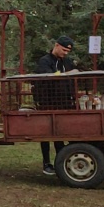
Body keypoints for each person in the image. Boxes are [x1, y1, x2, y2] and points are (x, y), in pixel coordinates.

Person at [29, 35, 78, 176]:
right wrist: (66, 74)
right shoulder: (44, 61)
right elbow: (49, 76)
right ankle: (46, 163)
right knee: (45, 133)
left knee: (60, 133)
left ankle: (60, 162)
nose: (65, 53)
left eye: (68, 51)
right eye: (64, 50)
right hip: (47, 101)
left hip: (64, 102)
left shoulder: (67, 62)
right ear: (56, 45)